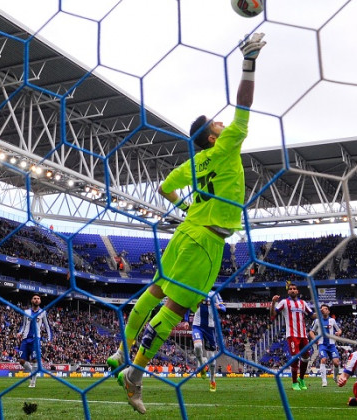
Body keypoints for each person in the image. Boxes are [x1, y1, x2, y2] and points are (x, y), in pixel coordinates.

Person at [109, 32, 267, 414]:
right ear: (214, 135)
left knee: (154, 293)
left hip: (184, 235)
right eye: (217, 122)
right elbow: (244, 104)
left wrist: (185, 209)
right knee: (175, 310)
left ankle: (119, 353)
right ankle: (134, 375)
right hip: (206, 241)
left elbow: (164, 187)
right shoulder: (227, 145)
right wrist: (249, 59)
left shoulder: (192, 163)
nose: (222, 122)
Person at [271, 282, 314, 391]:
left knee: (306, 358)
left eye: (295, 288)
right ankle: (294, 382)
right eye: (291, 289)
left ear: (297, 291)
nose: (293, 290)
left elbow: (312, 315)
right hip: (292, 335)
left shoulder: (303, 303)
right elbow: (273, 315)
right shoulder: (284, 302)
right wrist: (273, 303)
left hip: (303, 335)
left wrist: (321, 312)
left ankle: (301, 379)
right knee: (295, 358)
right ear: (288, 291)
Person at [192, 290, 226, 392]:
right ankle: (202, 364)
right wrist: (185, 320)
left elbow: (224, 308)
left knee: (211, 356)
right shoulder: (197, 290)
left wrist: (218, 306)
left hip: (210, 328)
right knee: (197, 346)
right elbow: (188, 306)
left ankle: (212, 380)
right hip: (197, 325)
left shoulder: (215, 294)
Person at [16, 294, 53, 388]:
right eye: (35, 298)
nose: (36, 300)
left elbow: (47, 327)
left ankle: (32, 382)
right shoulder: (26, 312)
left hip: (36, 339)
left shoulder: (43, 312)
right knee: (21, 360)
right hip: (25, 338)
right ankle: (33, 372)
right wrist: (20, 332)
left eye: (38, 299)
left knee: (35, 359)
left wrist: (49, 339)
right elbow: (23, 325)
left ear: (40, 301)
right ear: (32, 300)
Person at [309, 303, 342, 387]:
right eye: (321, 309)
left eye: (325, 309)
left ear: (328, 311)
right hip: (322, 345)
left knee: (336, 363)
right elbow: (311, 332)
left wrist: (338, 333)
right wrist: (315, 339)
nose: (323, 310)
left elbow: (339, 330)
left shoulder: (332, 321)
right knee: (323, 359)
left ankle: (335, 377)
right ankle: (324, 381)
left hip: (331, 345)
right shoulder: (317, 321)